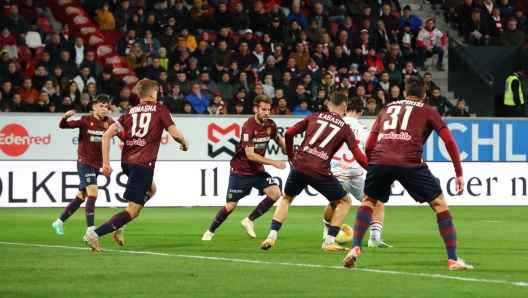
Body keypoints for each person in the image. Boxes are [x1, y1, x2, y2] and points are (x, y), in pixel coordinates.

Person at [342, 76, 473, 270]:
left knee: (369, 200)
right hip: (410, 162)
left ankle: (355, 248)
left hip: (380, 160)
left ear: (403, 93)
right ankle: (453, 259)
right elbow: (450, 142)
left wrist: (374, 168)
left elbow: (369, 144)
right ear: (424, 95)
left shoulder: (386, 109)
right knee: (439, 204)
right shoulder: (428, 110)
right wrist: (458, 172)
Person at [82, 79, 189, 252]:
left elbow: (106, 135)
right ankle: (94, 234)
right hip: (142, 164)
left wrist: (106, 163)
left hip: (127, 162)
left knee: (152, 190)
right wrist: (184, 142)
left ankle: (119, 223)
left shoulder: (129, 112)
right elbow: (175, 134)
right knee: (133, 211)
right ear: (153, 94)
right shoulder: (161, 109)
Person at [260, 92, 368, 252]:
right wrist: (374, 171)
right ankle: (329, 241)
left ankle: (271, 236)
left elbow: (289, 133)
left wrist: (291, 155)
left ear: (328, 105)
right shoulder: (345, 128)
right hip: (319, 169)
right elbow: (358, 156)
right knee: (345, 202)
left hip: (299, 165)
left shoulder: (315, 116)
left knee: (287, 199)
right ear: (345, 109)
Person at [202, 95, 287, 241]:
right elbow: (250, 155)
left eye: (268, 110)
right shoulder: (248, 127)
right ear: (255, 109)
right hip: (241, 170)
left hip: (257, 171)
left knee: (275, 193)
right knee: (230, 206)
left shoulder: (270, 125)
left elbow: (277, 138)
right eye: (263, 109)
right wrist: (273, 162)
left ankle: (249, 220)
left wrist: (290, 153)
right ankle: (210, 231)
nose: (266, 113)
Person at [52, 95, 122, 235]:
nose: (104, 109)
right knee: (93, 192)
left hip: (97, 164)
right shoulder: (85, 120)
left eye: (106, 106)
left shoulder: (110, 122)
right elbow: (63, 126)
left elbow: (124, 136)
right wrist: (65, 117)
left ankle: (58, 222)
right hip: (84, 162)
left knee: (81, 196)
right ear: (94, 106)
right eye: (101, 106)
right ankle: (91, 229)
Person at [328, 97, 392, 248]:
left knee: (334, 204)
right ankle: (374, 238)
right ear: (361, 112)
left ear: (345, 109)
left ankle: (326, 232)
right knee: (376, 202)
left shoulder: (333, 126)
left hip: (334, 172)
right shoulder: (365, 131)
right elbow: (373, 153)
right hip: (355, 174)